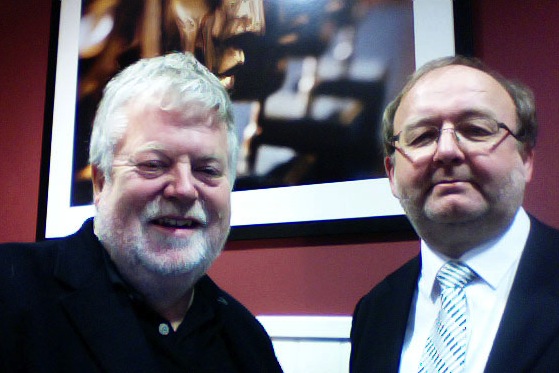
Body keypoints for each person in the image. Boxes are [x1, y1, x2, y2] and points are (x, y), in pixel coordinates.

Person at [0, 52, 282, 372]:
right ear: (101, 181)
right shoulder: (10, 290)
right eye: (153, 164)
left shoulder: (247, 339)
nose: (185, 189)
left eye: (207, 169)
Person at [350, 55, 559, 372]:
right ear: (391, 173)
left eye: (476, 129)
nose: (446, 150)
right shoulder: (374, 310)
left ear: (526, 158)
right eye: (422, 136)